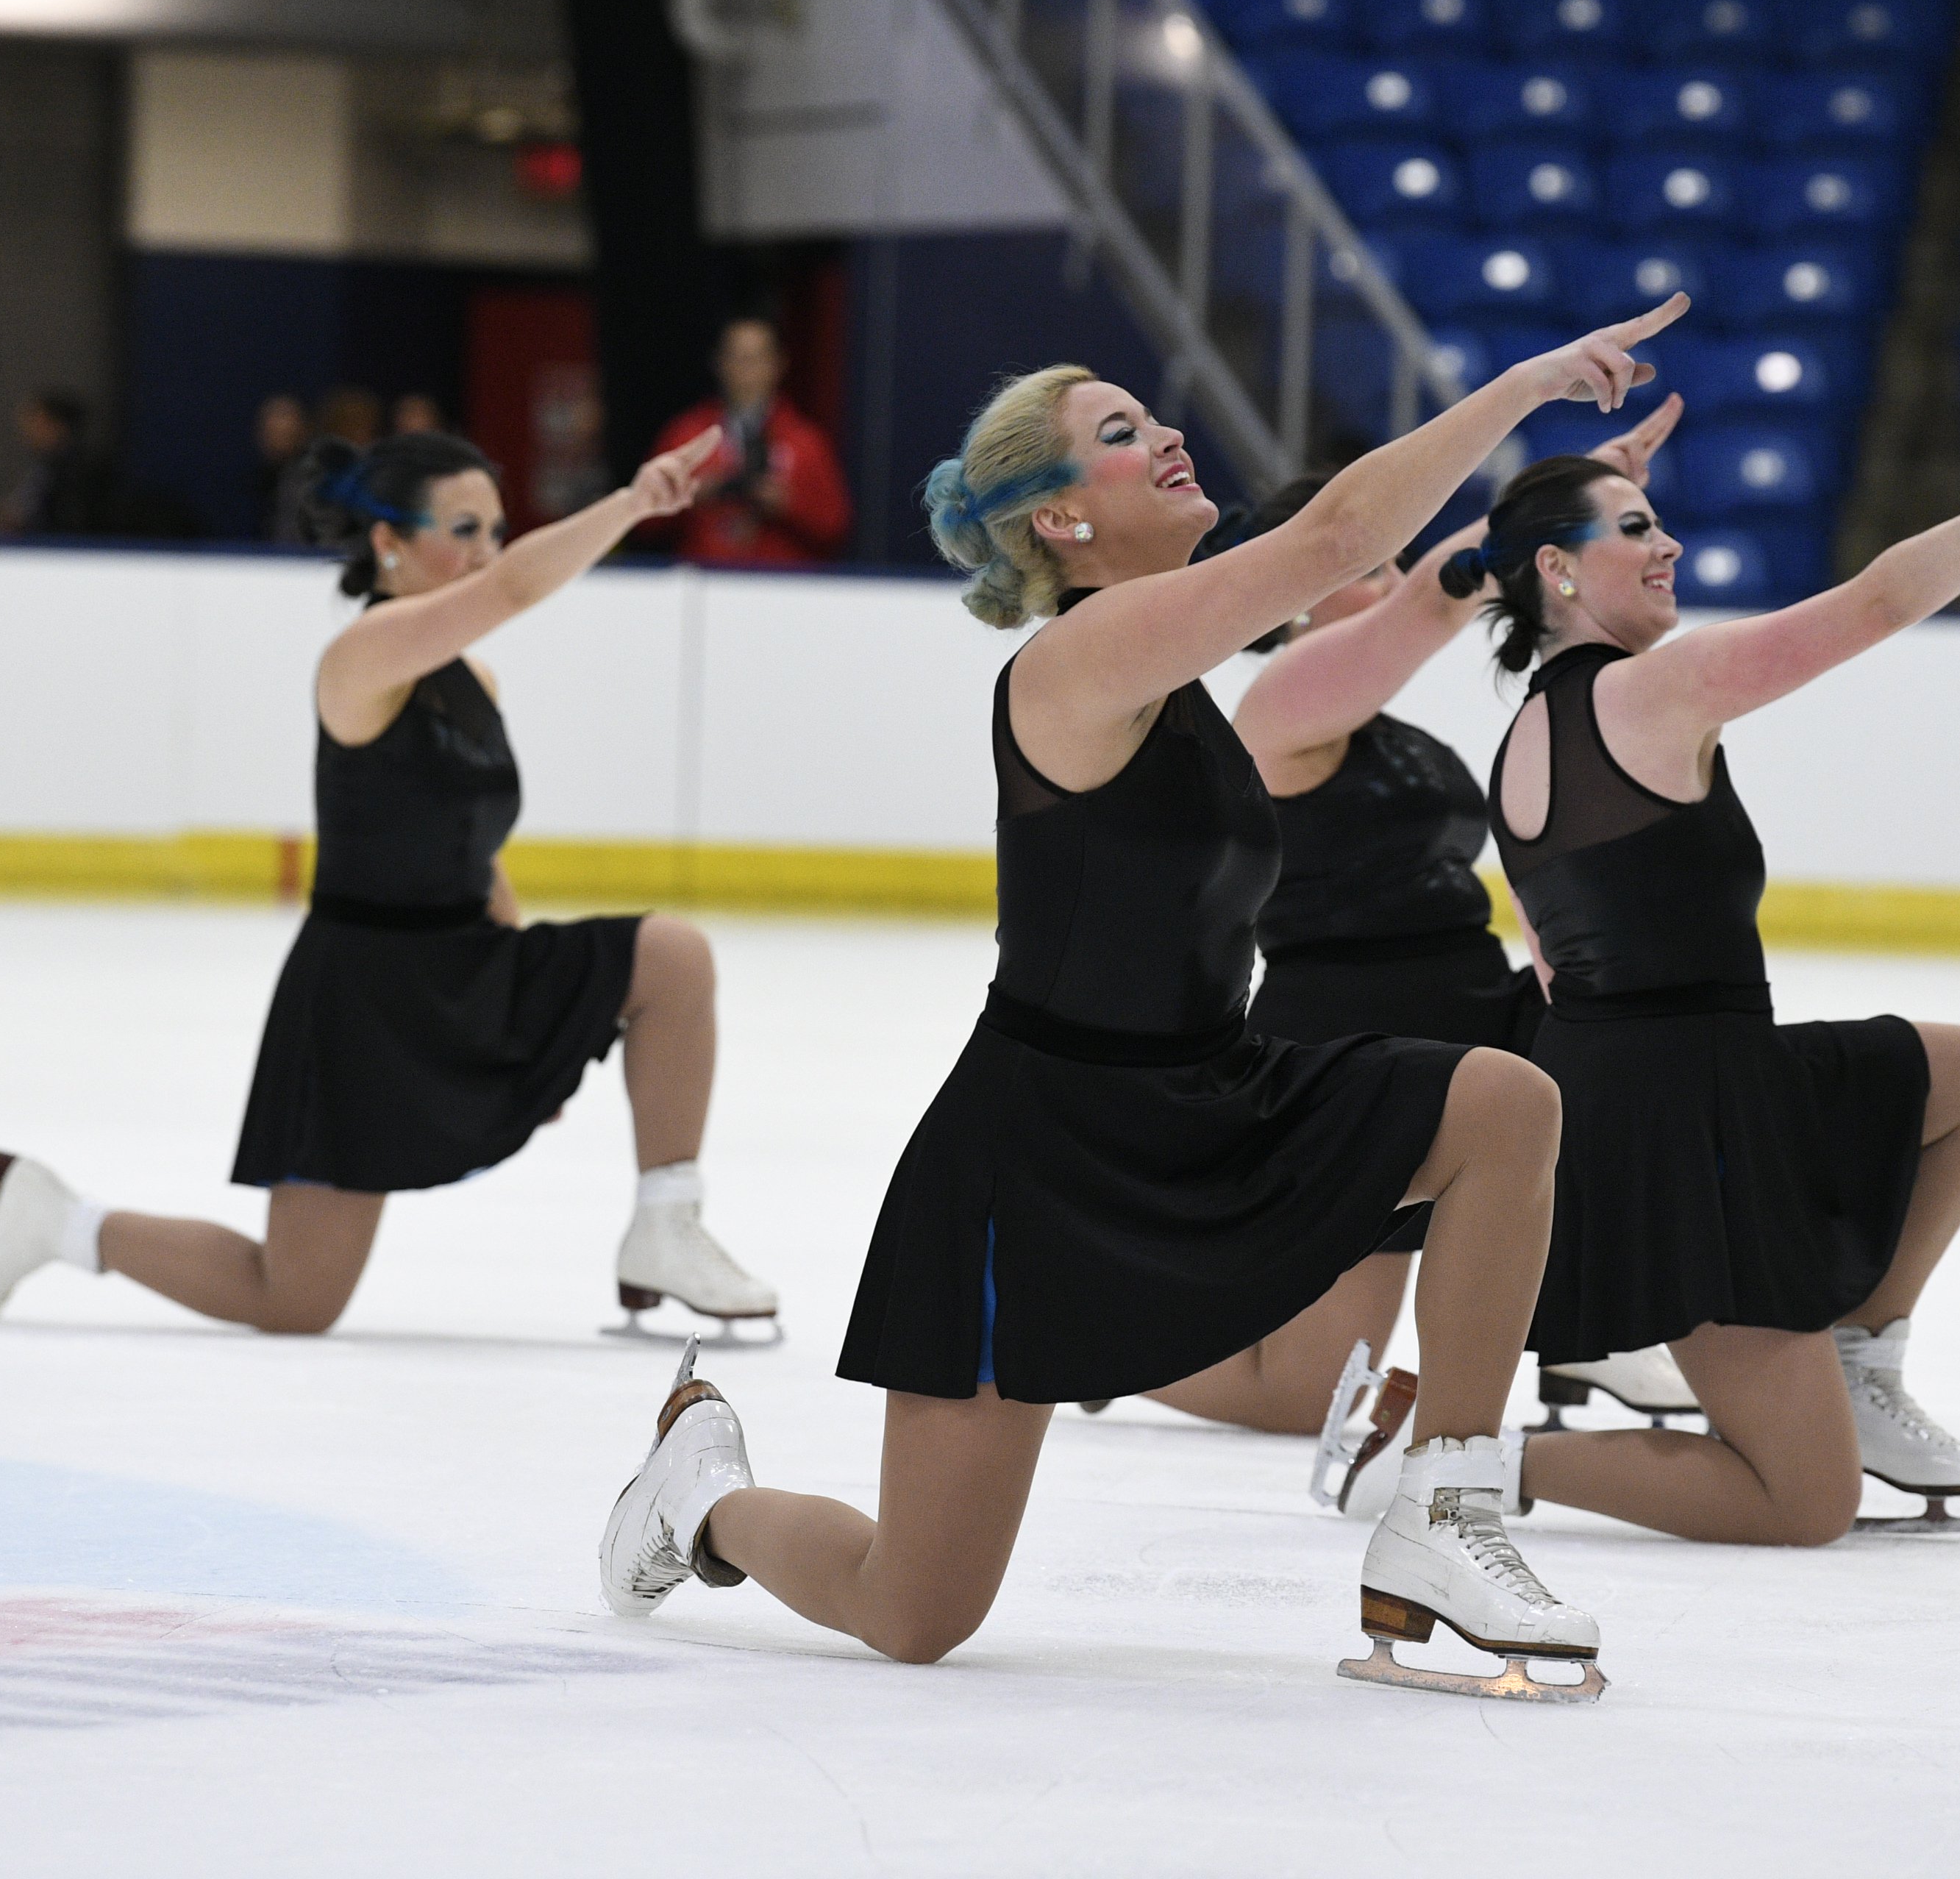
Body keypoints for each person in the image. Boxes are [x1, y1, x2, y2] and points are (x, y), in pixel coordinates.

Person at [594, 302, 1690, 1699]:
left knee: (1499, 1102)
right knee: (916, 1608)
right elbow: (1335, 542)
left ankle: (1449, 1510)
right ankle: (700, 1497)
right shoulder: (1072, 665)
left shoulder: (1182, 682)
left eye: (1149, 414)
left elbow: (1381, 582)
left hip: (1206, 1095)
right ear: (1059, 522)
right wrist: (1526, 387)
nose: (1166, 432)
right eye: (1120, 433)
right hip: (1037, 1156)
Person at [1445, 426, 1960, 1544]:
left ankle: (1863, 1367)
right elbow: (1872, 607)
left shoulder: (1531, 730)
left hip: (1682, 1075)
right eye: (1635, 528)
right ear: (1557, 570)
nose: (1669, 544)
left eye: (1661, 521)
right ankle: (1462, 1461)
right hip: (1683, 1120)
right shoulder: (1651, 691)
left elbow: (1549, 957)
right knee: (1803, 1501)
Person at [0, 425, 783, 1342]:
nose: (485, 551)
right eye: (462, 528)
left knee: (670, 957)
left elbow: (476, 845)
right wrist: (632, 503)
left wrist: (521, 1014)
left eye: (496, 529)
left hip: (464, 966)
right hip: (362, 999)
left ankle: (666, 1225)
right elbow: (508, 590)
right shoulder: (362, 660)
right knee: (296, 1299)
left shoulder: (473, 679)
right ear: (389, 541)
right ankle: (58, 1220)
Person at [1125, 398, 1702, 1502]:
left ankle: (1584, 1311)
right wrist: (1558, 517)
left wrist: (1583, 502)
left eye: (1392, 563)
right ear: (1293, 588)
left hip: (1469, 1008)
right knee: (1304, 1391)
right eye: (1362, 566)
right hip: (1348, 1046)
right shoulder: (1281, 702)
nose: (1386, 583)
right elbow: (1434, 605)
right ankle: (1076, 1342)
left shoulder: (1389, 728)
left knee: (1629, 1058)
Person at [639, 316, 852, 566]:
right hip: (703, 581)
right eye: (736, 357)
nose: (746, 369)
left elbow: (837, 527)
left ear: (778, 364)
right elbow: (642, 520)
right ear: (718, 363)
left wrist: (788, 504)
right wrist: (690, 495)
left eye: (756, 358)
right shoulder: (687, 435)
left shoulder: (805, 442)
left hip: (780, 584)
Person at [0, 389, 114, 537]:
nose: (27, 429)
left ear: (59, 425)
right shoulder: (45, 470)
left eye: (37, 420)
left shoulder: (78, 475)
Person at [253, 393, 312, 544]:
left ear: (303, 432)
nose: (278, 440)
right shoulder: (254, 482)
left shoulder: (316, 482)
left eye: (286, 435)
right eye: (272, 432)